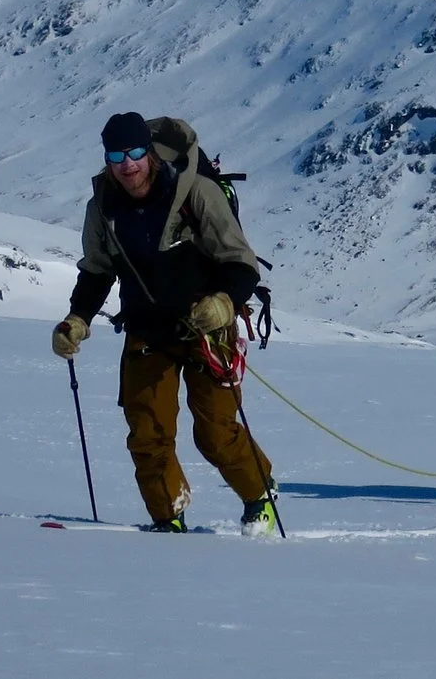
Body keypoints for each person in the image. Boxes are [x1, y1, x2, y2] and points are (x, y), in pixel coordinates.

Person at [51, 112, 280, 535]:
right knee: (147, 434)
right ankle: (167, 519)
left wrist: (225, 302)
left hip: (207, 329)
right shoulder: (103, 207)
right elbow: (98, 270)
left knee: (215, 433)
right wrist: (77, 318)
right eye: (116, 156)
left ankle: (259, 496)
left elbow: (241, 262)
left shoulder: (195, 193)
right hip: (147, 329)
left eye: (135, 153)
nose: (127, 165)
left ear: (150, 153)